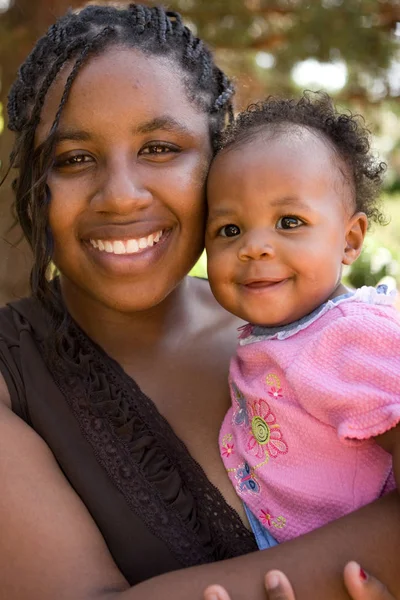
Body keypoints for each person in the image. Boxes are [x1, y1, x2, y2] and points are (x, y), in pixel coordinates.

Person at [0, 4, 399, 599]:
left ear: (217, 160)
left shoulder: (324, 331)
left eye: (160, 148)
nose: (120, 196)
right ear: (36, 184)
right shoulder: (14, 376)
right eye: (74, 159)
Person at [205, 94, 400, 549]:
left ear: (349, 241)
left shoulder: (350, 337)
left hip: (341, 560)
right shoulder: (285, 330)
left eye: (289, 221)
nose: (254, 247)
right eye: (229, 230)